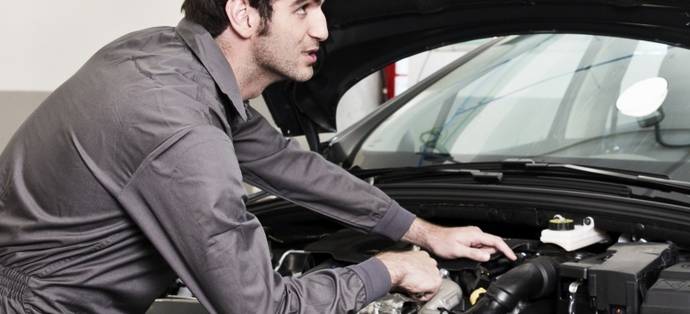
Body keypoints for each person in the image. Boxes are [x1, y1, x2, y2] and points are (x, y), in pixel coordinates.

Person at [0, 0, 516, 313]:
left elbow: (287, 164)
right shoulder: (179, 126)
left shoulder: (162, 57)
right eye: (303, 9)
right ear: (244, 14)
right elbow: (258, 306)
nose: (323, 29)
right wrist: (389, 271)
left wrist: (422, 232)